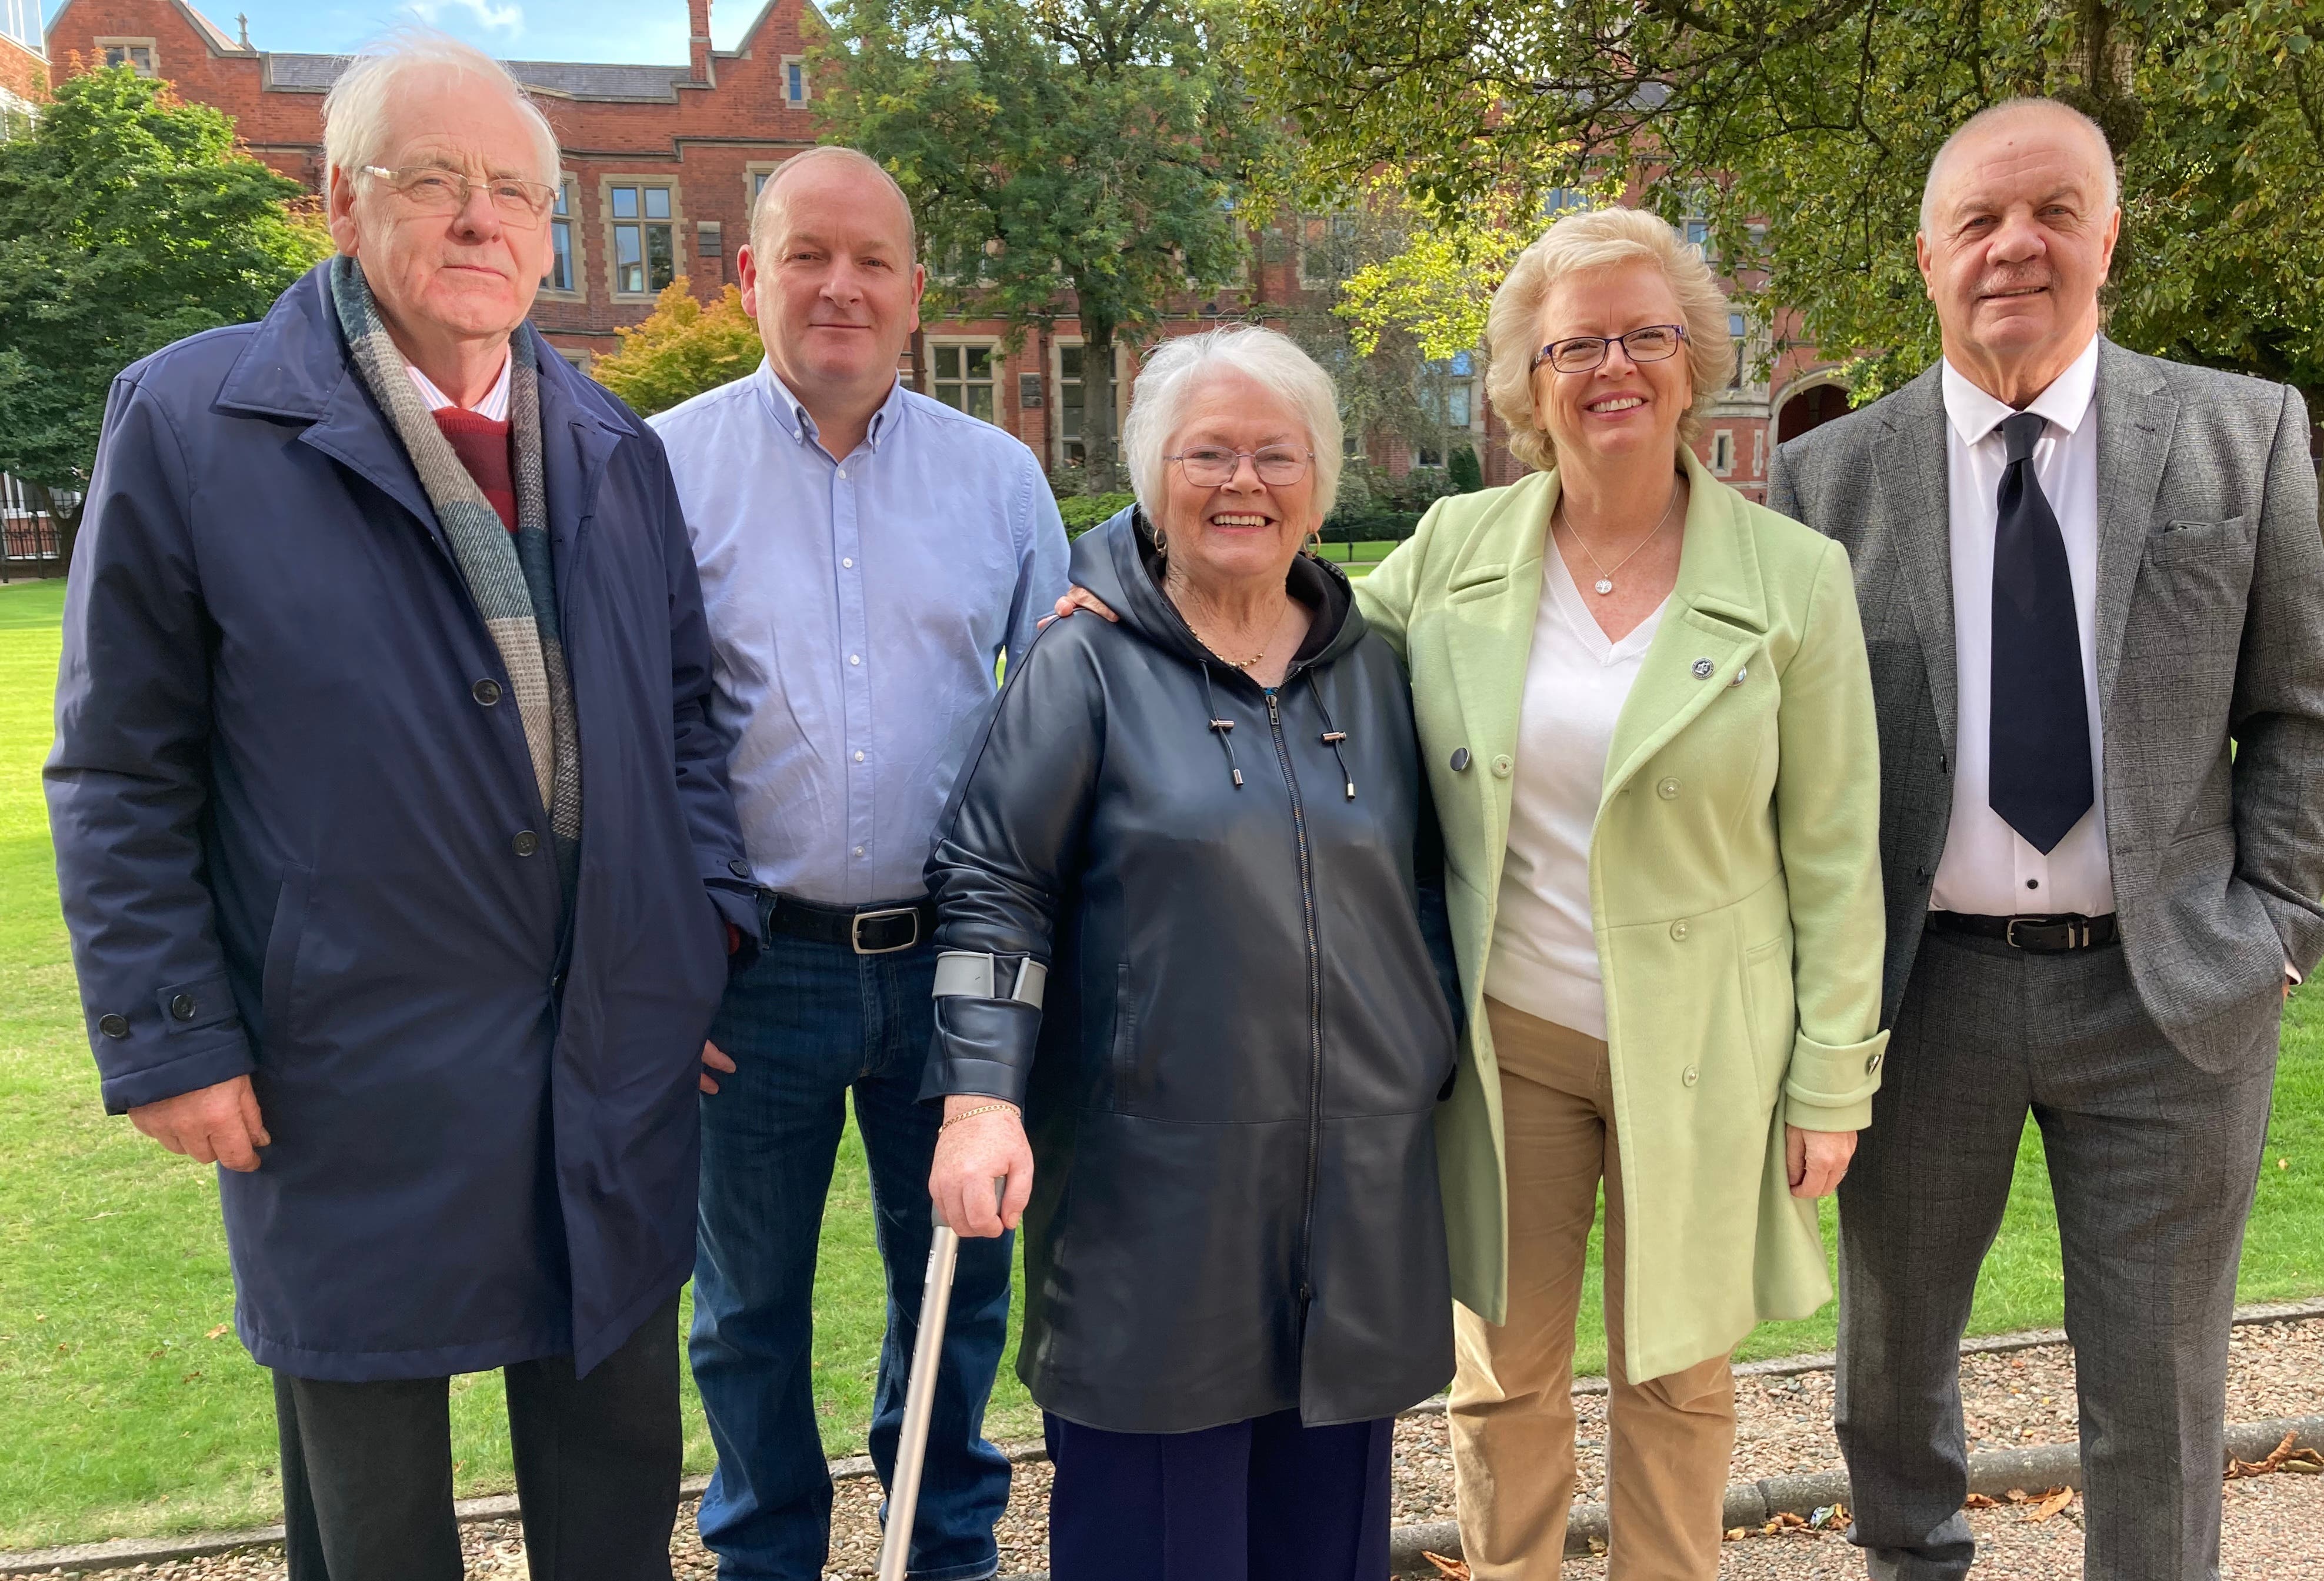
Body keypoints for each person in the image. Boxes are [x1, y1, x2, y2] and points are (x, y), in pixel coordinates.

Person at [44, 31, 760, 1581]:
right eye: (436, 182)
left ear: (553, 230)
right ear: (339, 202)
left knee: (615, 1476)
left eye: (515, 191)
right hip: (344, 1059)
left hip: (610, 1056)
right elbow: (119, 762)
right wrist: (171, 1033)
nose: (482, 220)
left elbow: (688, 723)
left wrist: (700, 936)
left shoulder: (615, 448)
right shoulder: (194, 424)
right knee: (372, 1520)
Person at [1767, 98, 2324, 1581]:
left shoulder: (2240, 432)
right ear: (1926, 257)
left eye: (2052, 211)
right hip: (1926, 996)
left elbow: (2299, 712)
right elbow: (1791, 761)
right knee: (1891, 1380)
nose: (2014, 245)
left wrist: (2277, 928)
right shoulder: (1828, 482)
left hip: (2168, 999)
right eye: (1977, 219)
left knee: (2157, 1397)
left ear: (2108, 236)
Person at [1363, 207, 1887, 1579]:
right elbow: (1285, 645)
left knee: (1679, 1381)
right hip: (1509, 1038)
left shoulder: (1794, 578)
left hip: (1707, 1045)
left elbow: (1835, 849)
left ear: (1693, 357)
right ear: (1529, 380)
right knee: (1502, 1377)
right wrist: (1125, 587)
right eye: (1575, 343)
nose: (1614, 367)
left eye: (1646, 334)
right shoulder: (1450, 552)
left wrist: (1833, 1077)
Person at [922, 325, 1463, 1581]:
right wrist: (980, 1096)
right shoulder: (1082, 664)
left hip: (1355, 1195)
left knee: (1329, 1548)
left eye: (1277, 454)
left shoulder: (1376, 672)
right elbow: (994, 885)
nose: (1243, 483)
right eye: (1207, 452)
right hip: (1151, 1199)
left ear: (1321, 483)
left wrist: (1422, 1036)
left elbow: (1429, 880)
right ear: (1152, 474)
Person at [647, 145, 1069, 1581]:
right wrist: (664, 966)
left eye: (872, 259)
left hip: (953, 964)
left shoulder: (1000, 483)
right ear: (751, 275)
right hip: (747, 975)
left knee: (958, 1287)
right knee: (743, 1309)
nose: (841, 285)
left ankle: (933, 1544)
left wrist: (1027, 986)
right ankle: (766, 1552)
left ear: (913, 292)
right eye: (807, 255)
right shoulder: (657, 470)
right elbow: (626, 743)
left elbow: (1054, 734)